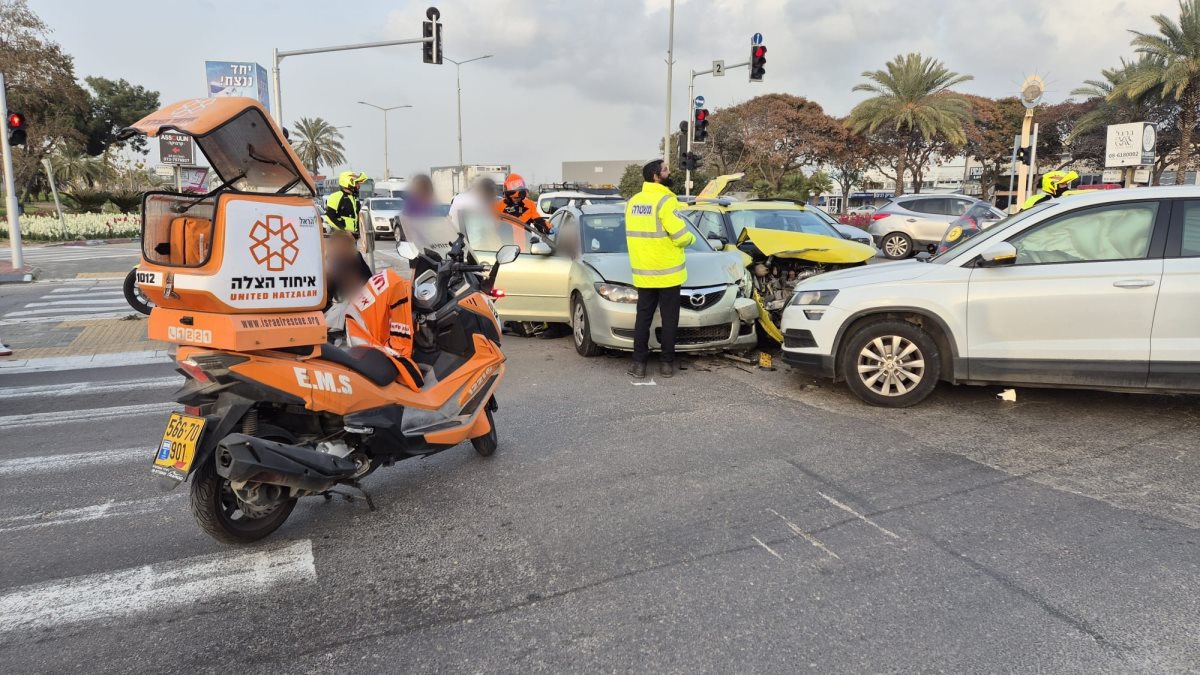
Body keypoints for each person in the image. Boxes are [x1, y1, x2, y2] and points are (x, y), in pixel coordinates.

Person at [624, 159, 694, 379]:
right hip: (668, 273)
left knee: (642, 319)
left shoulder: (633, 202)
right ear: (656, 175)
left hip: (643, 273)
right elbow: (681, 236)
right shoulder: (666, 201)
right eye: (665, 169)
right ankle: (666, 364)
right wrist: (691, 238)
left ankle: (638, 364)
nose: (669, 172)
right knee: (669, 319)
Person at [344, 267, 424, 390]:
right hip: (362, 341)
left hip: (353, 326)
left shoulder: (391, 280)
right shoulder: (399, 291)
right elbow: (401, 344)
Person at [324, 171, 369, 238]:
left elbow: (357, 217)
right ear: (349, 182)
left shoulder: (354, 198)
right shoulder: (335, 197)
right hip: (339, 236)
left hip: (352, 236)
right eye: (357, 183)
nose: (359, 186)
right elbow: (329, 217)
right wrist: (344, 231)